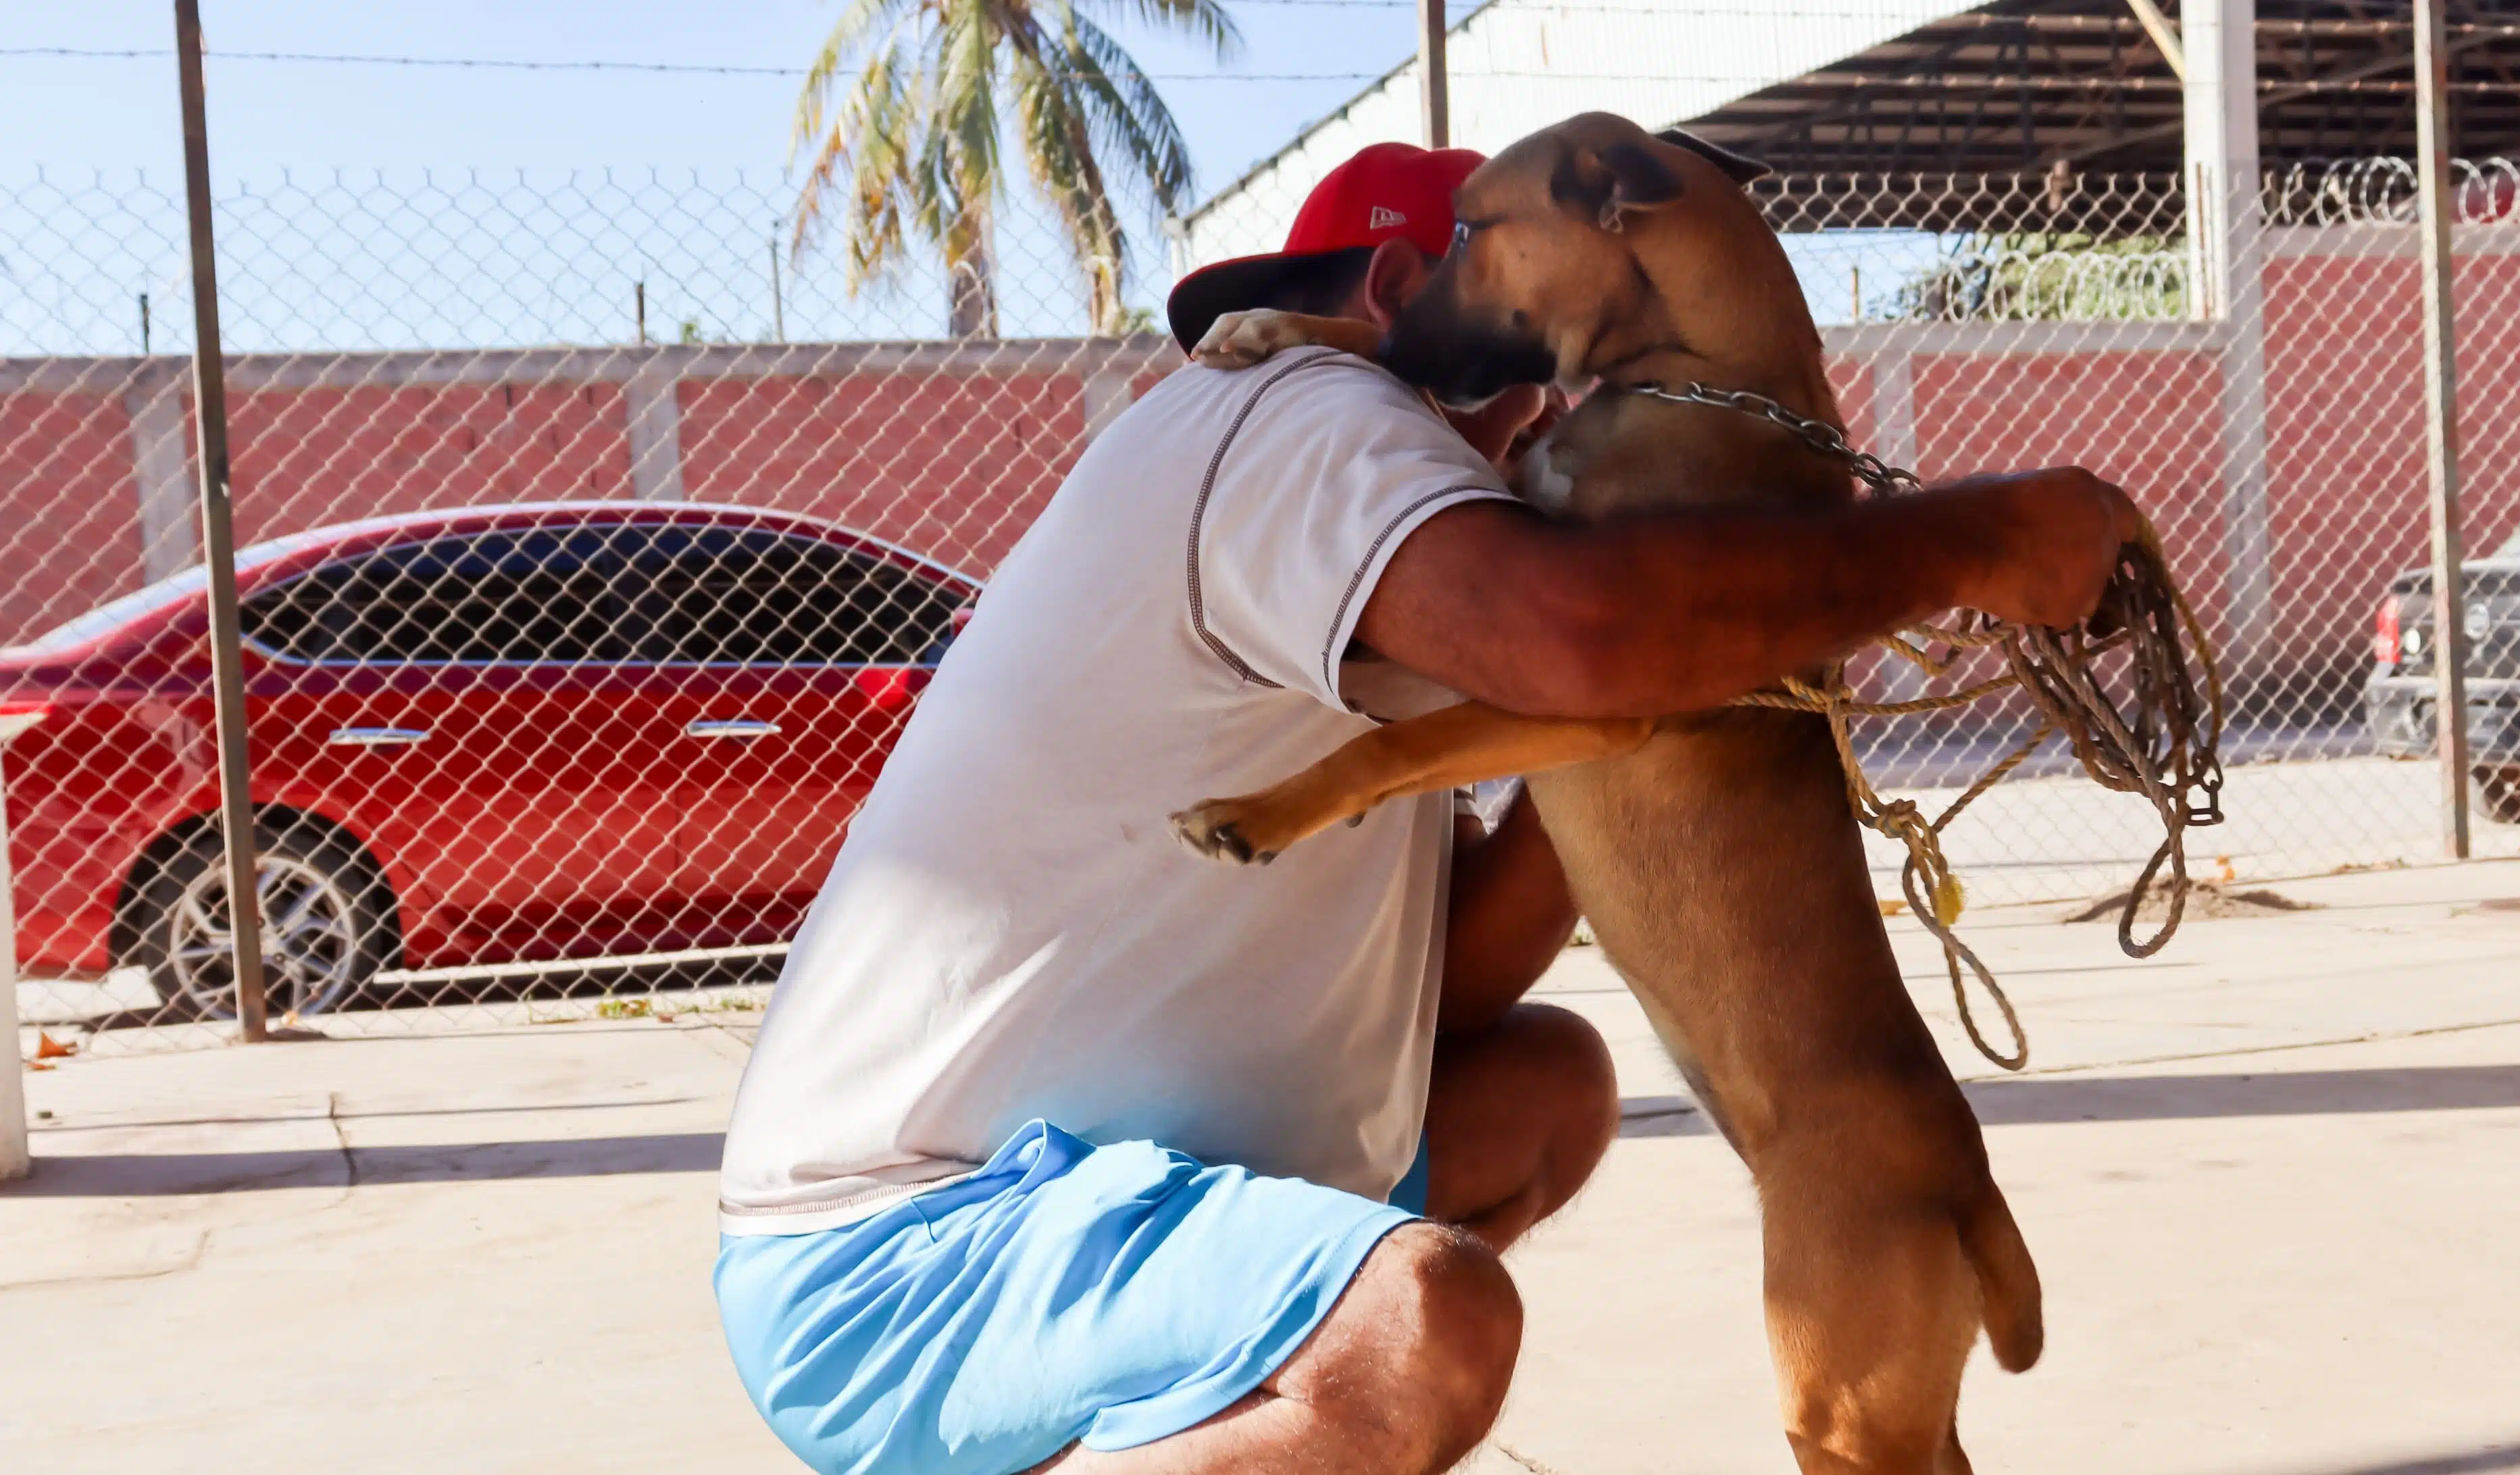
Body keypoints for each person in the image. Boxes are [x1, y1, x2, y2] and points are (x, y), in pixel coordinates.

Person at [713, 141, 2135, 1475]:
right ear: (1406, 301)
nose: (1555, 412)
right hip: (907, 1246)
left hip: (1095, 1178)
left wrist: (1665, 751)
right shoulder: (1302, 418)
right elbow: (1579, 637)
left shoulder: (1362, 568)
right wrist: (1976, 538)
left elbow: (1454, 976)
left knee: (1546, 1088)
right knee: (1421, 1321)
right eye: (1523, 359)